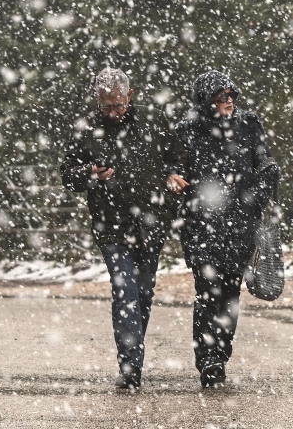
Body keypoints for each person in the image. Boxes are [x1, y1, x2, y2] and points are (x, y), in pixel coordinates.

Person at [60, 67, 189, 389]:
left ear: (130, 96)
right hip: (111, 226)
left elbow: (177, 158)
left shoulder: (154, 120)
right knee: (125, 291)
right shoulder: (87, 129)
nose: (113, 112)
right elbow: (68, 175)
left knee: (142, 293)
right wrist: (90, 173)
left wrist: (173, 176)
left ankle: (132, 359)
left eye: (118, 104)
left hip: (152, 221)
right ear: (97, 100)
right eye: (106, 106)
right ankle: (131, 366)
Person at [175, 70, 279, 388]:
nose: (229, 100)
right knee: (208, 291)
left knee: (231, 292)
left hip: (240, 224)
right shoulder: (188, 129)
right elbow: (172, 167)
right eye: (222, 96)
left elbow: (267, 166)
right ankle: (208, 359)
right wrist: (174, 180)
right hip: (201, 225)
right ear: (206, 100)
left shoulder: (249, 124)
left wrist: (254, 198)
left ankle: (221, 353)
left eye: (232, 94)